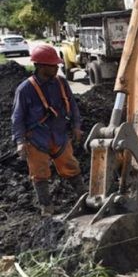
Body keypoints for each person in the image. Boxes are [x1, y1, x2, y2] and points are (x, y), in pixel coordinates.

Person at [12, 44, 85, 216]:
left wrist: (76, 127)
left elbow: (72, 105)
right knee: (39, 174)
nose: (57, 67)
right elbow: (17, 118)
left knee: (71, 166)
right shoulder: (25, 89)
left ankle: (84, 198)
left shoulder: (61, 83)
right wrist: (20, 142)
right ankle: (47, 208)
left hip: (59, 135)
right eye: (53, 65)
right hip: (36, 139)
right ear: (40, 66)